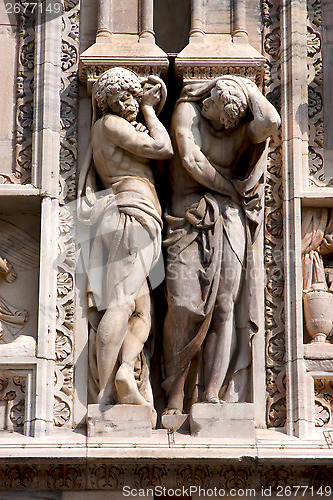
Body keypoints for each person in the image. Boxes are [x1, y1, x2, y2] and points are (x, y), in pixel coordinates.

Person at [163, 76, 280, 414]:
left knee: (225, 305)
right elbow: (190, 159)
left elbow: (271, 121)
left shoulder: (243, 133)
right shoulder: (188, 109)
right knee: (184, 305)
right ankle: (175, 390)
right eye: (213, 104)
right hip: (188, 215)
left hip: (229, 219)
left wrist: (249, 89)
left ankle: (210, 393)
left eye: (222, 114)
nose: (211, 112)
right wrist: (230, 190)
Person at [77, 67, 173, 415]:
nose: (128, 103)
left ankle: (125, 371)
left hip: (137, 215)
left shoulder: (110, 129)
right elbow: (163, 148)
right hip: (131, 213)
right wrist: (149, 107)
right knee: (120, 301)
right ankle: (104, 397)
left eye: (132, 96)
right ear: (104, 102)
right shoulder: (110, 125)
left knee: (143, 311)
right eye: (120, 98)